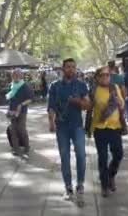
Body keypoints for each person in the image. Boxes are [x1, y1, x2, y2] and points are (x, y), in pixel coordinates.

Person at [48, 58, 90, 206]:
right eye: (68, 67)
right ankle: (68, 187)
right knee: (64, 157)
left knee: (80, 155)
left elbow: (87, 105)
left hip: (77, 126)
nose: (71, 69)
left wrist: (77, 102)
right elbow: (51, 106)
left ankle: (80, 184)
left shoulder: (81, 85)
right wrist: (51, 122)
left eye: (73, 67)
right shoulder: (55, 86)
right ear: (63, 69)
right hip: (62, 127)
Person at [88, 66, 125, 197]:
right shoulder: (94, 90)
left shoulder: (115, 88)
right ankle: (104, 185)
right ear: (97, 77)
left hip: (115, 127)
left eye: (107, 75)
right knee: (102, 158)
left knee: (119, 154)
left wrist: (119, 102)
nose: (105, 77)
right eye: (102, 75)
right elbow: (89, 108)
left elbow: (122, 103)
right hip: (100, 128)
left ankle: (111, 175)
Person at [7, 69, 34, 158]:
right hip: (12, 111)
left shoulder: (25, 86)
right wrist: (8, 109)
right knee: (13, 130)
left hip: (22, 112)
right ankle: (16, 148)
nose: (16, 77)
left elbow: (30, 99)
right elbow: (10, 98)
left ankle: (26, 147)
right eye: (14, 75)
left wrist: (21, 104)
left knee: (21, 129)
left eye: (18, 75)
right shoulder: (11, 86)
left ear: (21, 76)